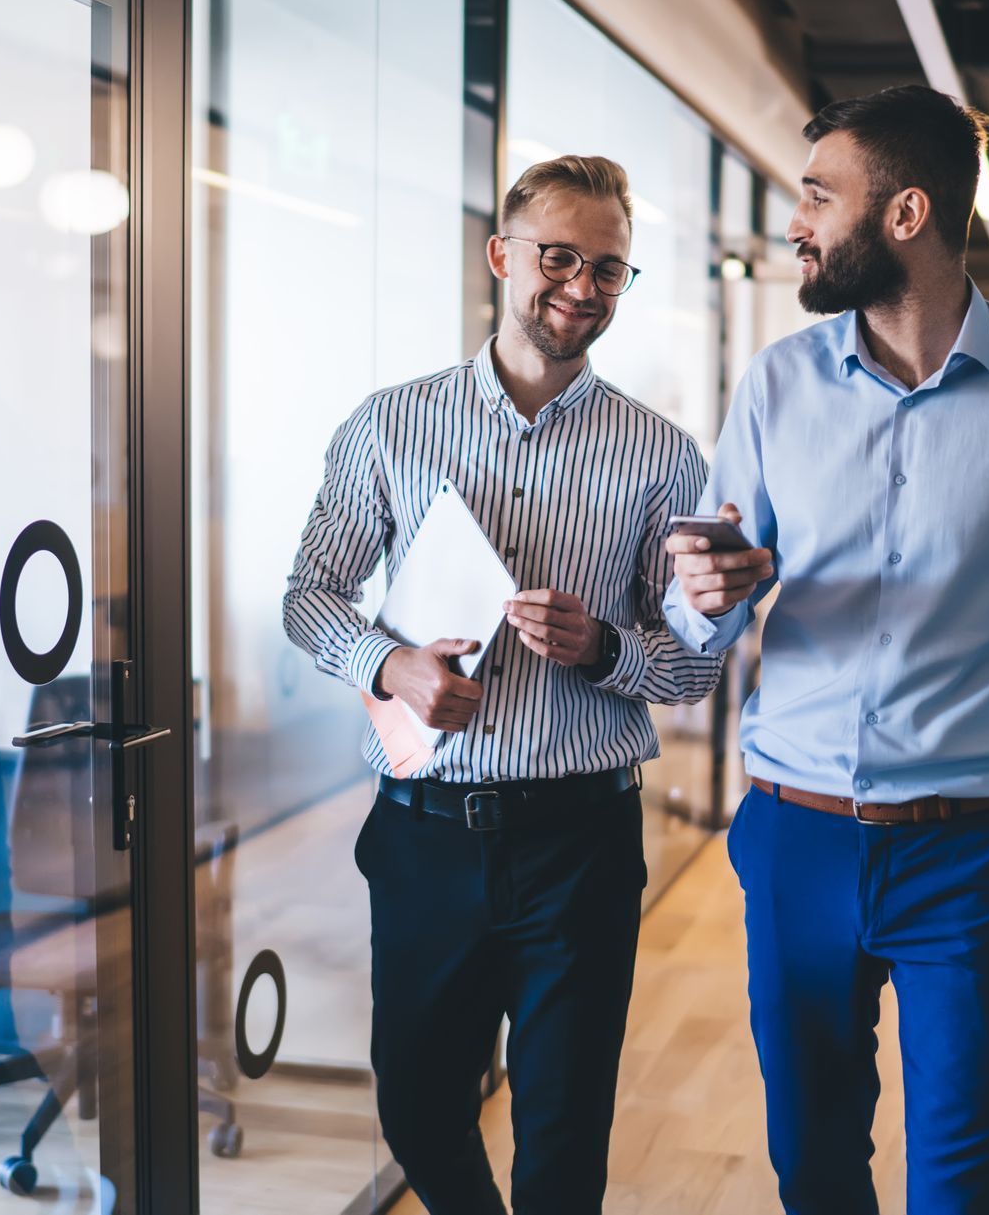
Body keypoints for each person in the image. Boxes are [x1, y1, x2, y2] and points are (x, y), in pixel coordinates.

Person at [663, 84, 989, 1213]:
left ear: (905, 215)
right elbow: (692, 625)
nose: (797, 224)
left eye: (819, 197)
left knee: (966, 1192)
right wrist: (704, 595)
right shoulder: (775, 387)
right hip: (795, 843)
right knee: (814, 1177)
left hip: (975, 864)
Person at [284, 154, 722, 1215]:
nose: (582, 286)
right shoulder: (389, 425)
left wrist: (605, 650)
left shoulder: (663, 457)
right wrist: (391, 665)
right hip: (426, 833)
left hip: (582, 844)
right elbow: (310, 596)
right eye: (559, 257)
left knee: (565, 1138)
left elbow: (696, 663)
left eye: (609, 269)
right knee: (420, 1110)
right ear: (501, 257)